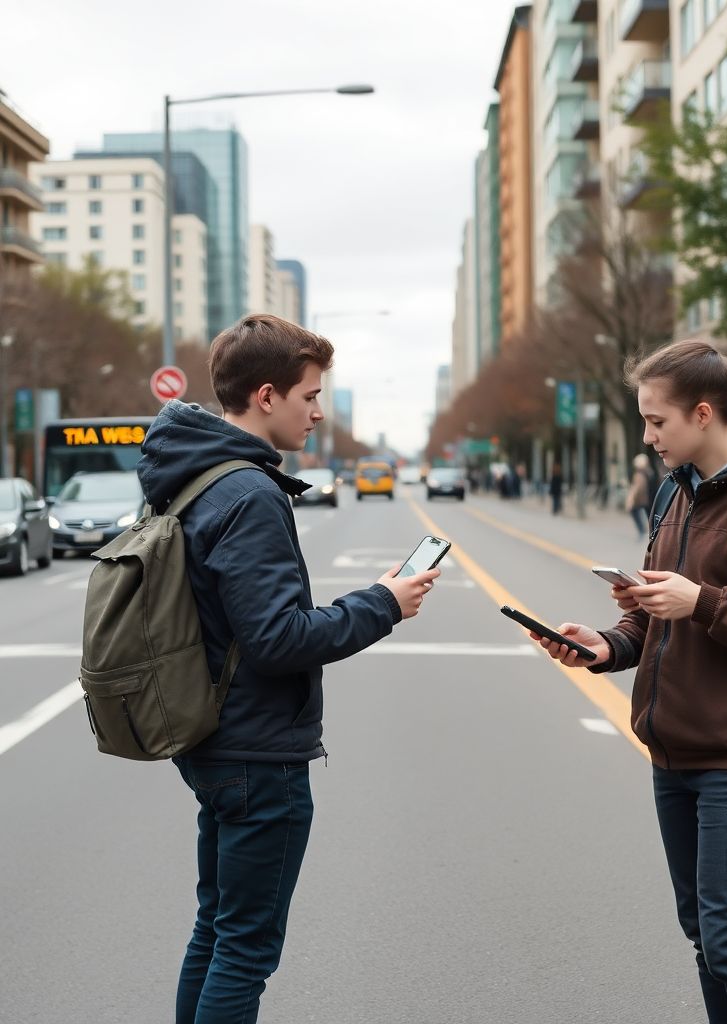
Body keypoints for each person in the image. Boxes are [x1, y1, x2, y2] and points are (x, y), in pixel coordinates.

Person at [136, 313, 440, 1024]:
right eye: (309, 396)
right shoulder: (247, 493)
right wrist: (385, 603)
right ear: (266, 397)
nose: (317, 411)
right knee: (245, 949)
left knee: (216, 931)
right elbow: (277, 638)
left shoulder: (194, 476)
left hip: (213, 735)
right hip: (257, 751)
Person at [528, 339, 727, 1024]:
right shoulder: (675, 495)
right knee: (707, 938)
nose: (647, 436)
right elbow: (655, 625)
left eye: (656, 421)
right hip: (675, 755)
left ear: (703, 414)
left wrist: (703, 602)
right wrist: (602, 647)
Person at [624, 453, 653, 537]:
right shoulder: (649, 472)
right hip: (648, 499)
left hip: (640, 499)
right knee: (648, 515)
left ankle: (642, 531)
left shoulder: (639, 474)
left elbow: (637, 488)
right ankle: (646, 531)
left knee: (635, 512)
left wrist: (631, 499)